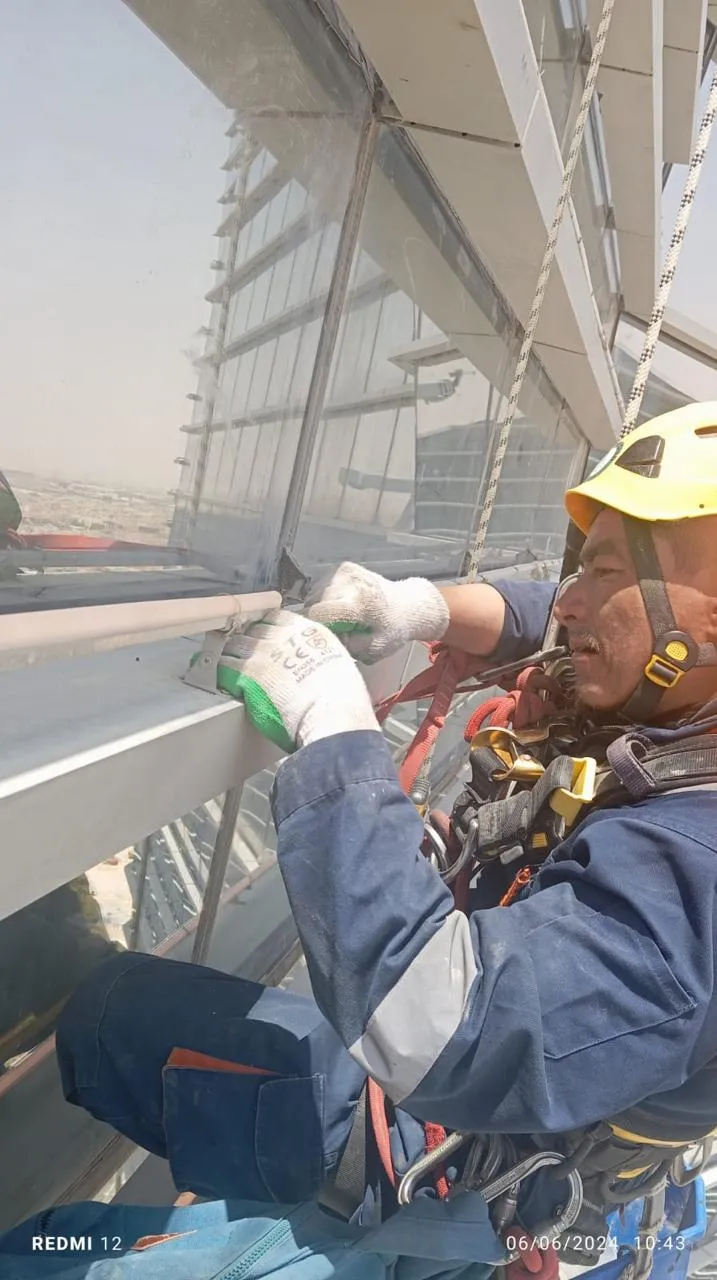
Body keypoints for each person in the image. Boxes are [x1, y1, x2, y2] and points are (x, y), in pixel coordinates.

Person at [38, 403, 717, 1273]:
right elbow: (578, 617)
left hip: (458, 1155)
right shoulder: (683, 702)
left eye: (603, 569)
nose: (568, 600)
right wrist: (422, 608)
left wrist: (334, 728)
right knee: (112, 1013)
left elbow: (445, 1034)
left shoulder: (697, 862)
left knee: (94, 1059)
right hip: (499, 1117)